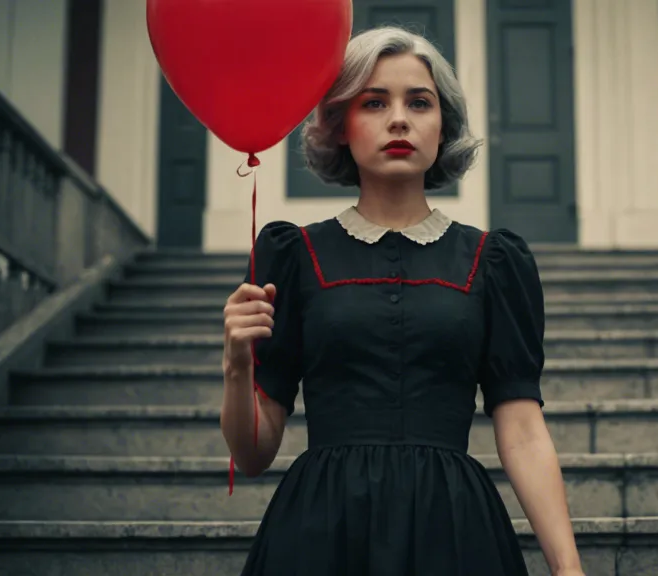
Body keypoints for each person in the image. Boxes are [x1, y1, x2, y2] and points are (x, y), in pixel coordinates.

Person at [220, 25, 584, 576]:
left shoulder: (493, 260)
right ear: (341, 124)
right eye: (374, 102)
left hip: (454, 530)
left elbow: (524, 431)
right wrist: (236, 365)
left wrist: (568, 568)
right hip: (322, 530)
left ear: (444, 126)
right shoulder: (294, 256)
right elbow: (252, 456)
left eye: (419, 102)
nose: (399, 119)